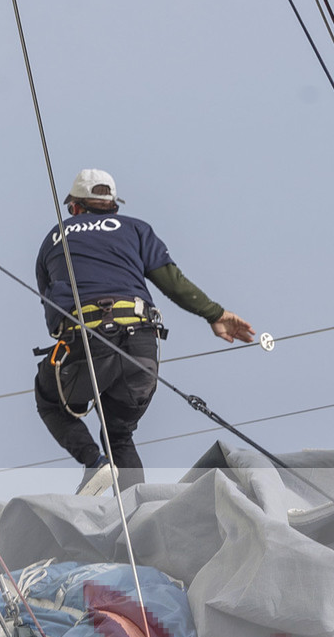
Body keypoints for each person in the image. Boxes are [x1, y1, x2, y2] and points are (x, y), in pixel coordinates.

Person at [34, 168, 256, 489]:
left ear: (76, 207)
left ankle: (94, 463)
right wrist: (215, 314)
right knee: (119, 434)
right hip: (141, 344)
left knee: (50, 399)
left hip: (87, 339)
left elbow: (52, 308)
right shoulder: (136, 228)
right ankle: (138, 508)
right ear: (113, 206)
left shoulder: (55, 237)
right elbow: (172, 282)